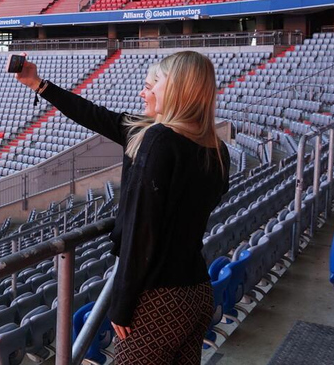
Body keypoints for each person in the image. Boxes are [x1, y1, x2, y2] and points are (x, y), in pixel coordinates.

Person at [15, 51, 229, 364]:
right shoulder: (215, 149)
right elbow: (93, 114)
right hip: (196, 290)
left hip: (158, 300)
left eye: (152, 85)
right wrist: (38, 84)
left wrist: (123, 304)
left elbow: (141, 230)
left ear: (176, 90)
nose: (144, 92)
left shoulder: (158, 140)